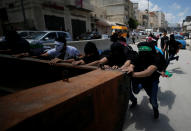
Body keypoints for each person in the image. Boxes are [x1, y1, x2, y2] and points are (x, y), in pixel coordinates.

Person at [124, 42, 166, 119]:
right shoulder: (139, 55)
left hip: (152, 81)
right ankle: (142, 90)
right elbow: (133, 63)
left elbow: (148, 72)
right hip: (141, 80)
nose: (143, 54)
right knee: (136, 91)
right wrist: (131, 68)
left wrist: (132, 74)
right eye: (141, 51)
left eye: (145, 52)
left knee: (153, 100)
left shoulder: (157, 57)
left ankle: (155, 108)